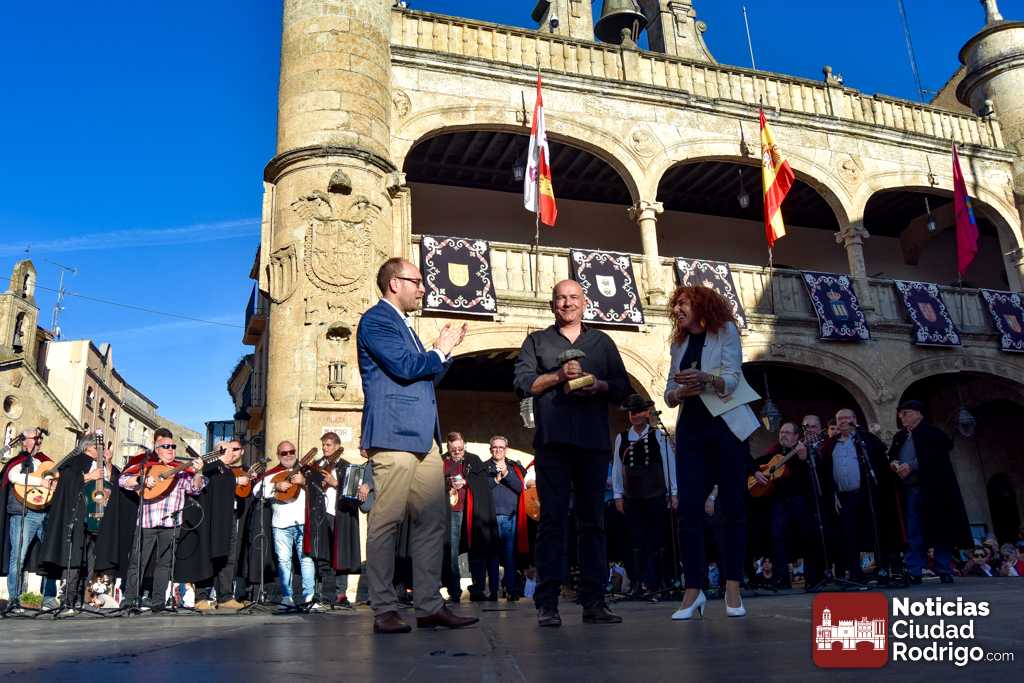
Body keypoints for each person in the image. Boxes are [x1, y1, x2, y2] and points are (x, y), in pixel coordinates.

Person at [357, 257, 477, 634]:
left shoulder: (405, 326)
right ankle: (384, 608)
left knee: (432, 522)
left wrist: (445, 351)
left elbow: (425, 375)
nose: (423, 288)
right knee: (386, 521)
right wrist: (438, 349)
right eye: (417, 281)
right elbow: (407, 367)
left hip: (426, 439)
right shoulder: (376, 320)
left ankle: (428, 605)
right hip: (393, 435)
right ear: (395, 283)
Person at [513, 278, 630, 627]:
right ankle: (546, 604)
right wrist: (558, 375)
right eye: (561, 298)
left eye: (573, 298)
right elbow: (523, 384)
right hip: (552, 443)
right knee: (552, 521)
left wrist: (599, 384)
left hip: (593, 443)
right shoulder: (537, 342)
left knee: (593, 521)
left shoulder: (602, 342)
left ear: (584, 302)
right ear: (552, 305)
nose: (567, 303)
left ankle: (594, 601)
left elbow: (622, 388)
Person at [663, 285, 759, 620]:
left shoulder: (725, 331)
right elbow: (667, 394)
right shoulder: (678, 343)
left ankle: (733, 585)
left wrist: (706, 378)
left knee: (731, 507)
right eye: (675, 305)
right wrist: (679, 392)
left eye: (683, 303)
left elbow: (732, 379)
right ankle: (694, 589)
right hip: (691, 428)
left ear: (701, 304)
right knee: (688, 508)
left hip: (727, 427)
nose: (677, 309)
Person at [117, 428, 206, 611]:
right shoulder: (147, 465)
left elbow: (195, 489)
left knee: (165, 564)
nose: (170, 449)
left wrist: (198, 472)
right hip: (146, 522)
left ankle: (158, 602)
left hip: (171, 523)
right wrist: (142, 479)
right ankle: (130, 598)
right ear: (157, 449)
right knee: (137, 561)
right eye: (166, 446)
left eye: (173, 446)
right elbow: (123, 480)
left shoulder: (181, 471)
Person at [887, 400, 971, 585]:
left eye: (906, 413)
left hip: (934, 490)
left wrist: (912, 465)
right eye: (900, 414)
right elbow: (892, 455)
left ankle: (943, 568)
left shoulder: (933, 433)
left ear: (919, 414)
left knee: (940, 528)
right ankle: (914, 570)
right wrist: (895, 464)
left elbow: (936, 456)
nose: (902, 417)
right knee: (913, 530)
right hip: (910, 491)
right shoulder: (900, 437)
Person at [38, 431, 125, 611]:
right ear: (87, 447)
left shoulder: (104, 464)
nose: (99, 451)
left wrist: (108, 463)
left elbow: (116, 482)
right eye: (96, 447)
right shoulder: (75, 462)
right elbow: (65, 482)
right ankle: (69, 598)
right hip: (78, 517)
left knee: (94, 560)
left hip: (100, 518)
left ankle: (88, 597)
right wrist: (88, 477)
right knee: (75, 558)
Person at [818, 409, 900, 583]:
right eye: (840, 419)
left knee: (867, 535)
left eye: (847, 418)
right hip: (843, 497)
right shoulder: (831, 444)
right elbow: (823, 471)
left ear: (855, 420)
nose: (843, 421)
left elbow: (881, 464)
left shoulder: (866, 440)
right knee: (849, 535)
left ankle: (870, 571)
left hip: (866, 495)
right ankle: (856, 573)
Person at [611, 394, 678, 599]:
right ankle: (637, 582)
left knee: (658, 540)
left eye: (640, 411)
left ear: (647, 413)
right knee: (635, 542)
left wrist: (673, 492)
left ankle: (659, 582)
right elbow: (617, 468)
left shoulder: (658, 436)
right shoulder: (622, 438)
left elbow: (669, 464)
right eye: (633, 412)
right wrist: (617, 495)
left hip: (656, 494)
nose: (636, 416)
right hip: (633, 497)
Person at [751, 422, 819, 589]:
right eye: (782, 432)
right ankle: (781, 579)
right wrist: (756, 472)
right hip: (779, 500)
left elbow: (813, 474)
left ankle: (812, 578)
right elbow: (758, 465)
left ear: (796, 436)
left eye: (788, 432)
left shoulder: (804, 450)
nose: (783, 435)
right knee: (777, 537)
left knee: (807, 536)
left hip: (800, 499)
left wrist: (803, 459)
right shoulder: (774, 452)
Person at [254, 441, 318, 610]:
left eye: (291, 451)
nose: (288, 455)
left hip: (302, 522)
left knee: (306, 559)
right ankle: (287, 597)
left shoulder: (306, 471)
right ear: (278, 455)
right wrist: (276, 486)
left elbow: (320, 489)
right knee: (283, 561)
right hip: (280, 524)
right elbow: (256, 491)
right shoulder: (271, 474)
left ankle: (309, 597)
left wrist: (305, 481)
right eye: (284, 453)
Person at [1, 428, 58, 611]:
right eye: (35, 438)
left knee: (50, 555)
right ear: (24, 441)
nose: (39, 441)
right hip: (23, 513)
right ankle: (14, 599)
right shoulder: (19, 462)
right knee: (18, 557)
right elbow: (12, 476)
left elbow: (54, 481)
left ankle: (49, 597)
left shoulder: (44, 462)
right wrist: (39, 482)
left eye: (40, 438)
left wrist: (53, 484)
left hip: (44, 512)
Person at [189, 439, 250, 610]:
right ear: (220, 451)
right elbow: (212, 484)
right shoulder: (210, 467)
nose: (232, 454)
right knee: (208, 556)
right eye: (229, 450)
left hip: (228, 518)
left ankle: (225, 596)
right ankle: (201, 596)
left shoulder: (229, 470)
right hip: (211, 520)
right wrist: (237, 482)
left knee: (228, 558)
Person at [327, 432, 373, 608]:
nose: (359, 447)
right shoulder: (363, 466)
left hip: (370, 512)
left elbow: (380, 479)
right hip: (329, 514)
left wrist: (336, 484)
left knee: (375, 555)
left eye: (362, 444)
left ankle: (346, 594)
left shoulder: (372, 465)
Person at [486, 436, 528, 601]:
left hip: (510, 517)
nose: (498, 450)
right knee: (493, 557)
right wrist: (496, 479)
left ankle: (511, 590)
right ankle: (493, 592)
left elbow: (519, 487)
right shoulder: (484, 467)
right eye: (495, 447)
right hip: (491, 518)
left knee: (510, 556)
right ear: (491, 449)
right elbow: (483, 490)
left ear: (506, 449)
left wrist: (505, 473)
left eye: (501, 447)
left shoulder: (513, 466)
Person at [441, 432, 471, 602]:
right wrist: (448, 484)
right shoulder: (442, 463)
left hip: (469, 510)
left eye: (460, 449)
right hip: (451, 511)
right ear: (448, 449)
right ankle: (454, 589)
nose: (458, 452)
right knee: (452, 551)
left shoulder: (470, 461)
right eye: (454, 450)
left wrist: (465, 482)